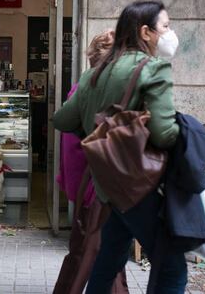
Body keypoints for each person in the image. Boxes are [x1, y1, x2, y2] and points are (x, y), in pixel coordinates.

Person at [53, 0, 186, 293]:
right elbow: (164, 134)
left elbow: (61, 119)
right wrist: (187, 133)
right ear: (146, 32)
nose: (169, 32)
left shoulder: (94, 73)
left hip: (107, 188)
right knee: (171, 266)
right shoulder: (154, 68)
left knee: (108, 260)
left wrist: (96, 132)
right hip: (140, 188)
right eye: (165, 26)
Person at [54, 30, 128, 294]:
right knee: (90, 257)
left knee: (97, 256)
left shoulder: (83, 88)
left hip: (91, 188)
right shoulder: (99, 92)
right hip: (97, 190)